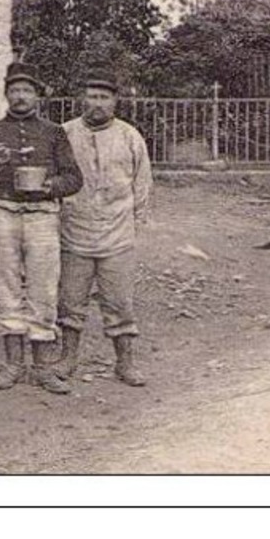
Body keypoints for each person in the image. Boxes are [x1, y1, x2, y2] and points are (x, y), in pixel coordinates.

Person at [0, 61, 83, 393]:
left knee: (44, 286)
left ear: (37, 96)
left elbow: (75, 178)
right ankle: (14, 364)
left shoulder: (54, 133)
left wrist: (50, 186)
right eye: (14, 90)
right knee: (3, 286)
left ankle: (43, 366)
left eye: (26, 90)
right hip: (2, 212)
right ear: (6, 94)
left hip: (43, 214)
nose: (20, 97)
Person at [56, 73, 153, 388]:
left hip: (117, 235)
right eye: (92, 96)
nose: (97, 103)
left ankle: (125, 363)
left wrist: (134, 221)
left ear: (115, 101)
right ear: (82, 99)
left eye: (104, 97)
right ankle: (68, 358)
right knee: (71, 302)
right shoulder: (65, 133)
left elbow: (142, 184)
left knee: (119, 302)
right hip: (75, 232)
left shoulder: (129, 136)